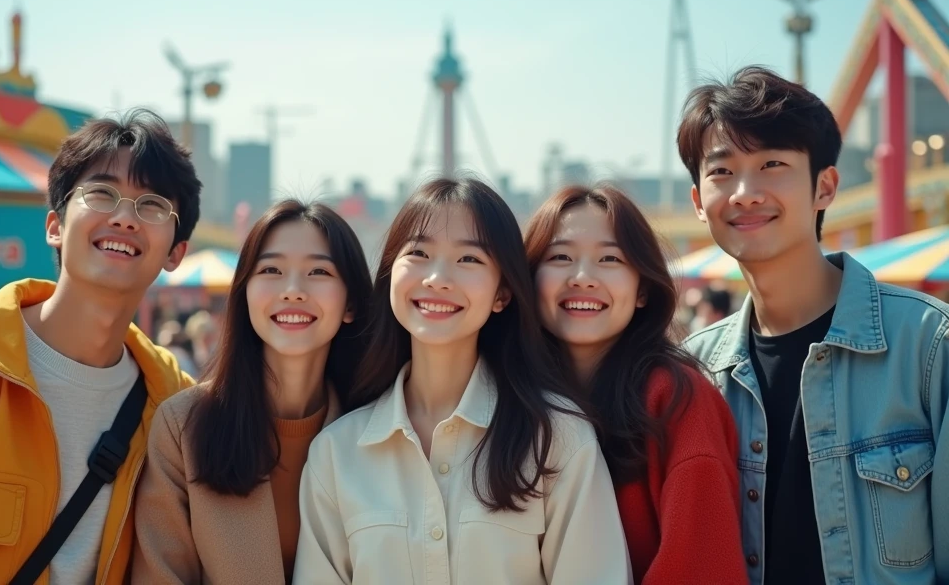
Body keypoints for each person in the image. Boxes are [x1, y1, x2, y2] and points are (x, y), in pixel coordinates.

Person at [679, 66, 949, 584]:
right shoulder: (695, 373)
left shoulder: (927, 346)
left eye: (772, 164)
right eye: (721, 171)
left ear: (825, 186)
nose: (745, 192)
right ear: (697, 202)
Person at [294, 178, 632, 584]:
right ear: (389, 276)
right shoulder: (337, 453)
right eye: (418, 253)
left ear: (502, 293)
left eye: (469, 259)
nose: (437, 278)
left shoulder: (559, 440)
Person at [0, 108, 201, 584]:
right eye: (101, 193)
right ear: (55, 225)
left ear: (176, 251)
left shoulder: (177, 406)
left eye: (152, 205)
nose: (124, 217)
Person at [132, 200, 372, 584]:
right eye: (272, 270)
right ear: (244, 294)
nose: (293, 290)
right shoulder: (185, 426)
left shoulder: (382, 432)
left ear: (351, 304)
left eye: (319, 271)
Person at [524, 184, 745, 584]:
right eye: (560, 257)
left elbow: (700, 568)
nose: (583, 277)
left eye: (610, 258)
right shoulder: (504, 398)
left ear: (642, 288)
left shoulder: (678, 402)